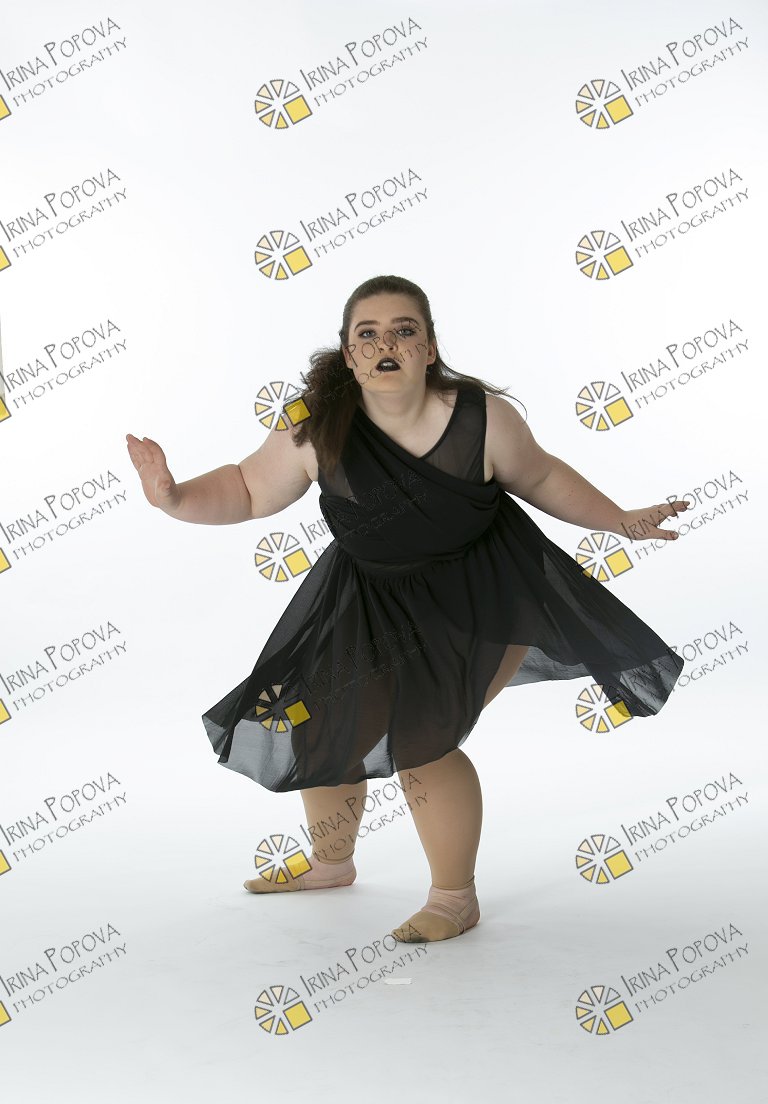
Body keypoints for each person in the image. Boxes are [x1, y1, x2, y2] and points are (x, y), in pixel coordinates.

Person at [126, 274, 686, 945]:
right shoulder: (314, 426)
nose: (385, 344)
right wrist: (173, 496)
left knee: (423, 739)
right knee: (320, 718)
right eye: (367, 334)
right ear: (348, 354)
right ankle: (331, 864)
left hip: (481, 592)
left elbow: (540, 477)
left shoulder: (483, 418)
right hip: (369, 594)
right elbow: (248, 490)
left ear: (429, 348)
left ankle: (455, 899)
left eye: (404, 330)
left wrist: (620, 520)